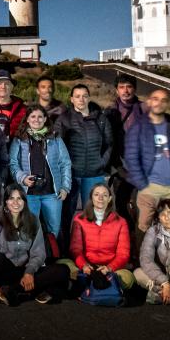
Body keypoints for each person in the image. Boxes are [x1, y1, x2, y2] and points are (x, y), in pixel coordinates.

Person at [0, 185, 72, 305]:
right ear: (6, 201)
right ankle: (37, 290)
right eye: (11, 198)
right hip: (6, 272)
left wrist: (29, 272)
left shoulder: (33, 220)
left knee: (63, 270)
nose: (15, 203)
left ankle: (13, 291)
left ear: (24, 201)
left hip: (26, 270)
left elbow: (38, 253)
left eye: (20, 198)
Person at [124, 88, 170, 233]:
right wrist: (141, 183)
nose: (159, 103)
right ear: (149, 102)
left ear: (167, 104)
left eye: (163, 100)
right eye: (155, 99)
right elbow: (131, 156)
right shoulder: (138, 126)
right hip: (149, 187)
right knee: (143, 226)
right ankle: (144, 255)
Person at [56, 83, 113, 245]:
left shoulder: (101, 119)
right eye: (77, 96)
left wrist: (102, 163)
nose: (81, 99)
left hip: (94, 175)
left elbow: (109, 144)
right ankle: (66, 248)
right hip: (72, 175)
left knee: (94, 214)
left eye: (85, 96)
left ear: (89, 98)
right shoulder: (64, 119)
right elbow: (57, 147)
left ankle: (92, 247)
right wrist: (65, 170)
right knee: (67, 214)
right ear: (71, 99)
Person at [9, 104, 72, 241]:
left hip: (52, 193)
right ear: (27, 119)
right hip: (29, 194)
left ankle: (51, 256)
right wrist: (23, 178)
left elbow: (65, 163)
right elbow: (13, 163)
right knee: (29, 228)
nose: (36, 120)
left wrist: (65, 187)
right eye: (33, 116)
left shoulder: (55, 138)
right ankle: (32, 257)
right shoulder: (20, 139)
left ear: (45, 119)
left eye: (40, 117)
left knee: (54, 228)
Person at [70, 182, 135, 292]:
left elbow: (123, 253)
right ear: (91, 197)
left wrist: (109, 268)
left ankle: (90, 286)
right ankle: (102, 286)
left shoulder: (121, 222)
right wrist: (84, 265)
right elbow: (75, 249)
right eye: (96, 194)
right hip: (88, 266)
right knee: (66, 267)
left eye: (104, 195)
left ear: (109, 199)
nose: (100, 198)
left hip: (110, 268)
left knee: (128, 278)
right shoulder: (79, 219)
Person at [104, 73, 143, 222]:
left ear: (134, 89)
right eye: (121, 87)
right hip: (119, 168)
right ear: (116, 90)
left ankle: (140, 241)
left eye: (129, 87)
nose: (125, 91)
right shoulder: (109, 112)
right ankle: (125, 239)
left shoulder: (145, 110)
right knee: (120, 205)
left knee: (141, 208)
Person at [0, 70, 28, 148]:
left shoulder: (23, 109)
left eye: (7, 84)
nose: (3, 86)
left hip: (14, 154)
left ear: (12, 87)